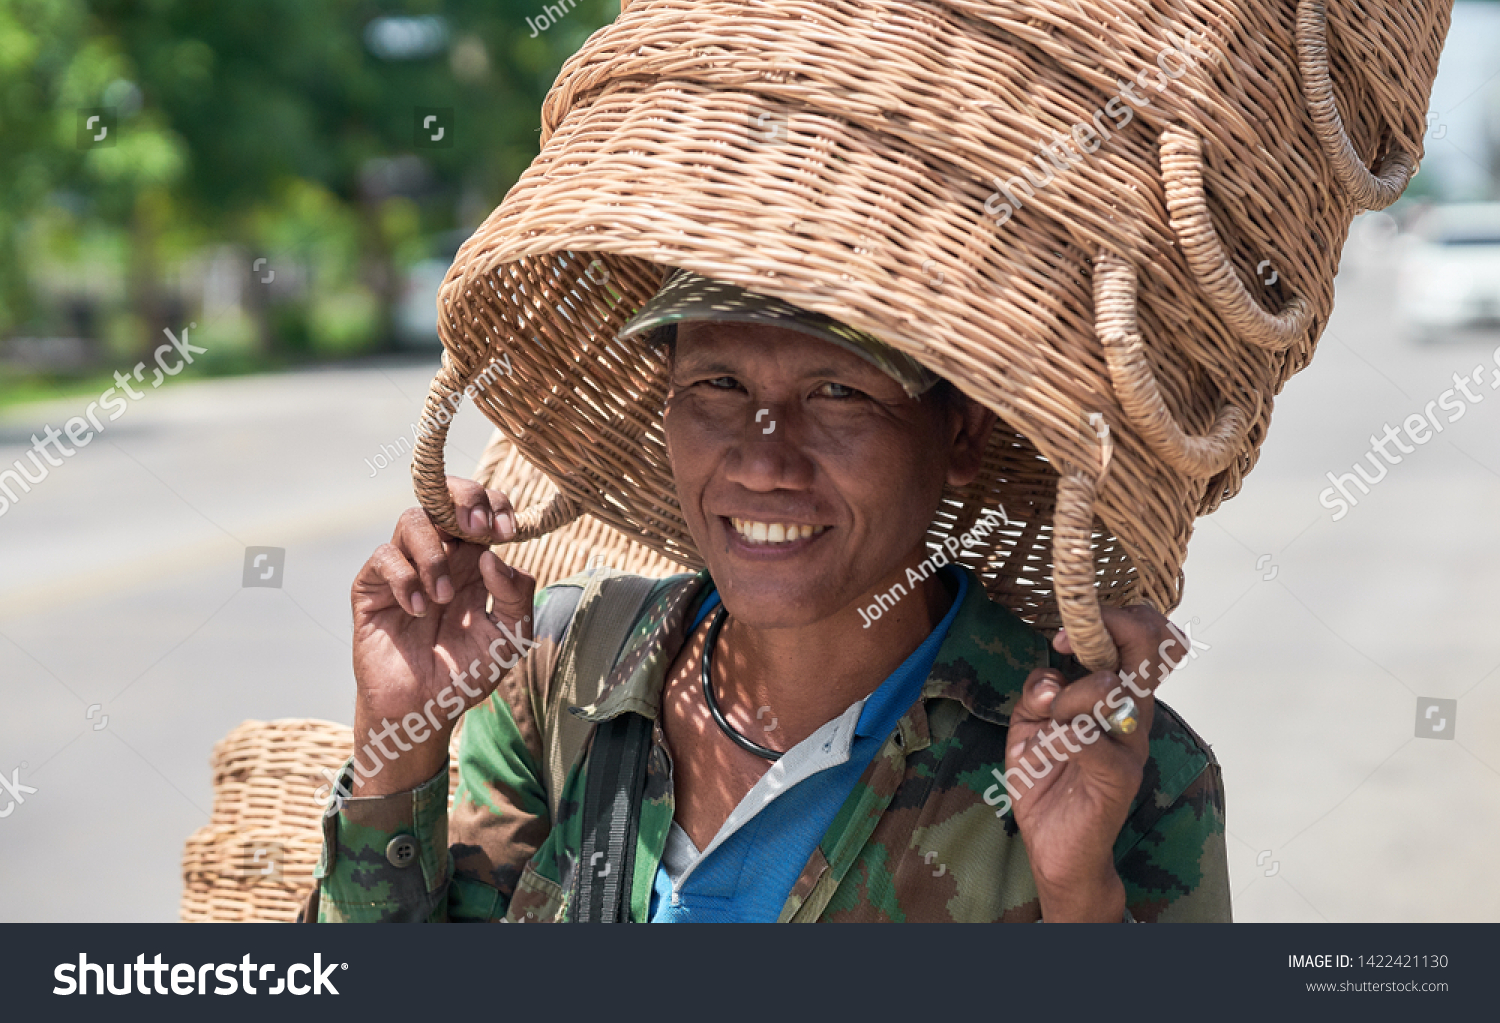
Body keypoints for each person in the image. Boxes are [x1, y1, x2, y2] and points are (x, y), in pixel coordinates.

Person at [306, 270, 1229, 922]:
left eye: (836, 392)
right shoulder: (563, 680)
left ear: (960, 435)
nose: (761, 457)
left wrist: (1077, 898)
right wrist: (400, 744)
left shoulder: (1116, 769)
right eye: (718, 384)